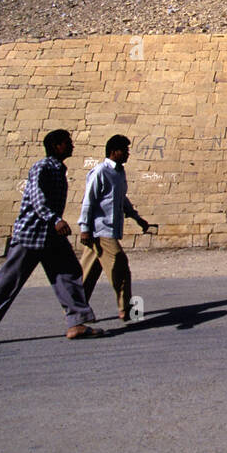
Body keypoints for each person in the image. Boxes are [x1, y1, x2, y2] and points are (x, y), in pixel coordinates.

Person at [0, 129, 103, 345]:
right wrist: (55, 219)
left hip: (51, 238)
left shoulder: (59, 169)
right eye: (68, 142)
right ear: (57, 146)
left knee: (70, 273)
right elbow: (37, 198)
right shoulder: (42, 167)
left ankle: (76, 323)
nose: (72, 146)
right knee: (8, 283)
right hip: (31, 235)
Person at [78, 134, 154, 321]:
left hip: (106, 230)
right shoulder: (100, 172)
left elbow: (121, 199)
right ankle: (125, 308)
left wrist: (137, 218)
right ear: (113, 152)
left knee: (87, 274)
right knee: (121, 266)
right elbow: (89, 201)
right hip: (100, 230)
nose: (128, 154)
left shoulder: (119, 173)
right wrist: (85, 228)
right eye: (125, 151)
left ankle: (76, 309)